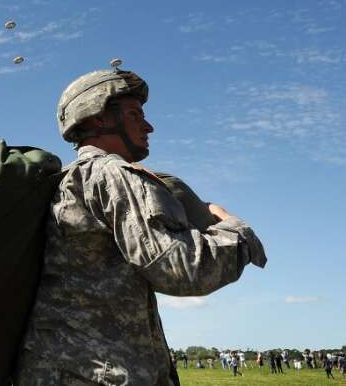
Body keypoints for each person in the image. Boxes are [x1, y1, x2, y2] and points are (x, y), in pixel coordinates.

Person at [14, 66, 267, 385]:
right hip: (99, 373)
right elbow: (184, 269)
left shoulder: (62, 181)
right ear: (98, 117)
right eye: (135, 115)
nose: (149, 126)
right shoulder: (112, 175)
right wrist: (232, 227)